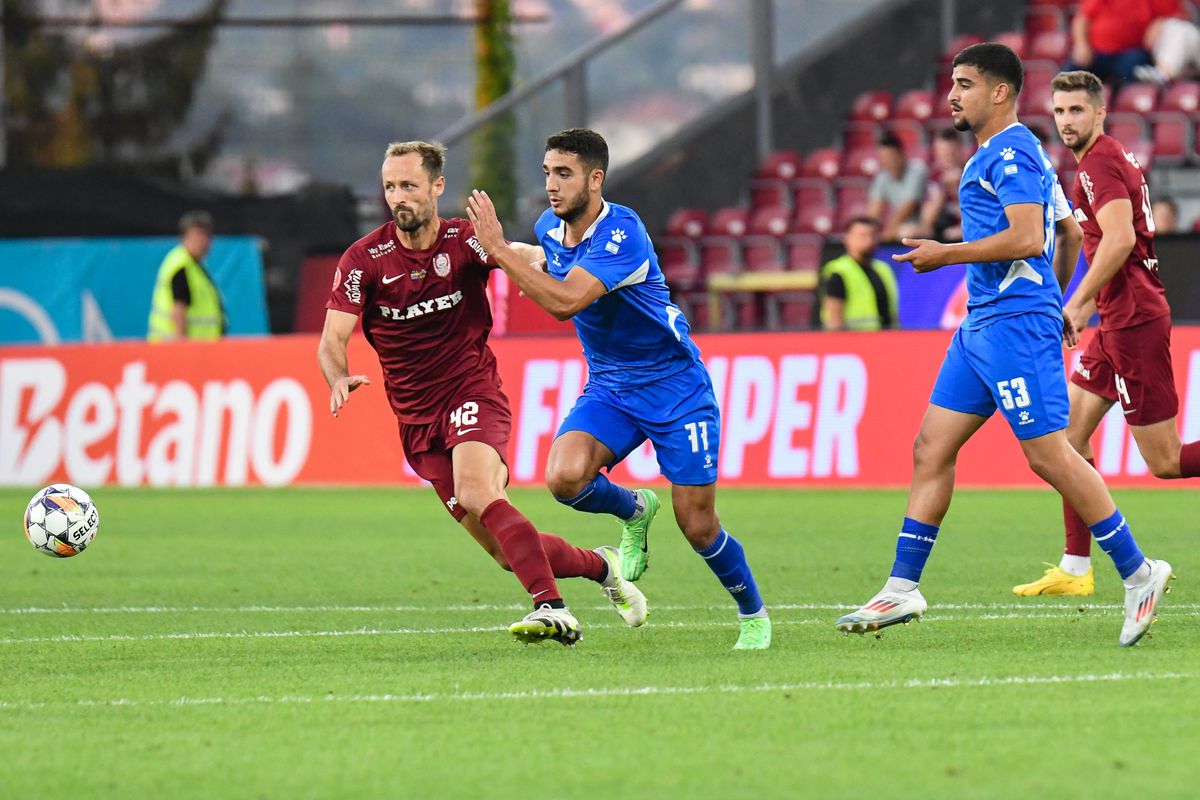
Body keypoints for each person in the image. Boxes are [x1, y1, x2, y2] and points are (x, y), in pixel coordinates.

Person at [834, 43, 1173, 647]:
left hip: (1013, 326)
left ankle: (1140, 572)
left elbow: (1023, 237)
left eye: (964, 84)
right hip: (983, 327)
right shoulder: (1015, 154)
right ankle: (902, 587)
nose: (951, 96)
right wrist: (1061, 301)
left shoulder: (1013, 152)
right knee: (930, 447)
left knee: (1050, 456)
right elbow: (1066, 231)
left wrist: (948, 255)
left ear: (999, 92)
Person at [318, 140, 646, 646]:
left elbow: (519, 256)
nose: (398, 196)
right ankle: (602, 567)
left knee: (478, 491)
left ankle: (552, 607)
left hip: (472, 392)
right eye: (390, 187)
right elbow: (332, 339)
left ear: (436, 187)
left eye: (408, 185)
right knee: (501, 551)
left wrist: (562, 264)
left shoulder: (464, 241)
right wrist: (338, 376)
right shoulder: (365, 260)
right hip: (417, 422)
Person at [466, 128, 772, 650]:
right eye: (546, 173)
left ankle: (753, 614)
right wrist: (510, 253)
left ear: (595, 178)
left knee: (697, 525)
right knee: (563, 478)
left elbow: (566, 300)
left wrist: (498, 249)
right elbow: (547, 261)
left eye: (564, 174)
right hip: (611, 387)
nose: (552, 186)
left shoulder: (622, 233)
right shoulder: (549, 226)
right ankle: (634, 509)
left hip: (675, 387)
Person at [1014, 70, 1199, 597]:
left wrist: (1074, 303)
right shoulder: (1103, 160)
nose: (1067, 120)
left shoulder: (1098, 163)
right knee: (1069, 437)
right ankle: (1076, 568)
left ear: (1099, 112)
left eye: (1077, 110)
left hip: (1135, 320)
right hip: (1117, 319)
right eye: (1059, 111)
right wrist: (1088, 307)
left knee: (1164, 460)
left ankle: (1088, 566)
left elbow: (1118, 241)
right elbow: (1110, 251)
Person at [147, 211, 227, 341]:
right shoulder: (181, 266)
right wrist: (182, 350)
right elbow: (178, 310)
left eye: (207, 237)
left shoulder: (195, 266)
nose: (203, 242)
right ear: (184, 238)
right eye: (198, 236)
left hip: (199, 350)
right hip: (176, 351)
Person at [1068, 0, 1183, 85]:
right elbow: (1082, 19)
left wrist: (1161, 22)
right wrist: (1081, 45)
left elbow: (1176, 16)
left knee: (1134, 71)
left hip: (1133, 51)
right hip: (1097, 53)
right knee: (1070, 74)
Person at [819, 216, 900, 331]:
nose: (869, 240)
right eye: (862, 235)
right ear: (847, 238)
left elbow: (892, 313)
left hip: (884, 341)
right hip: (854, 342)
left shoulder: (883, 269)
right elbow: (834, 319)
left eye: (872, 235)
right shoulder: (838, 272)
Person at [867, 133, 928, 241]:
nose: (887, 161)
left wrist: (889, 231)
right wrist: (870, 232)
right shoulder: (882, 176)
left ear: (901, 155)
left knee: (904, 233)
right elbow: (875, 210)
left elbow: (910, 205)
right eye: (883, 158)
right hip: (901, 226)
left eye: (890, 157)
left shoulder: (917, 170)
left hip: (924, 224)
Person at [916, 128, 965, 241]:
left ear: (961, 150)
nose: (948, 157)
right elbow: (927, 221)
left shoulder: (972, 173)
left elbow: (978, 216)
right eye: (943, 152)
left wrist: (957, 190)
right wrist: (943, 189)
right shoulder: (935, 177)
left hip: (969, 230)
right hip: (942, 231)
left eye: (952, 151)